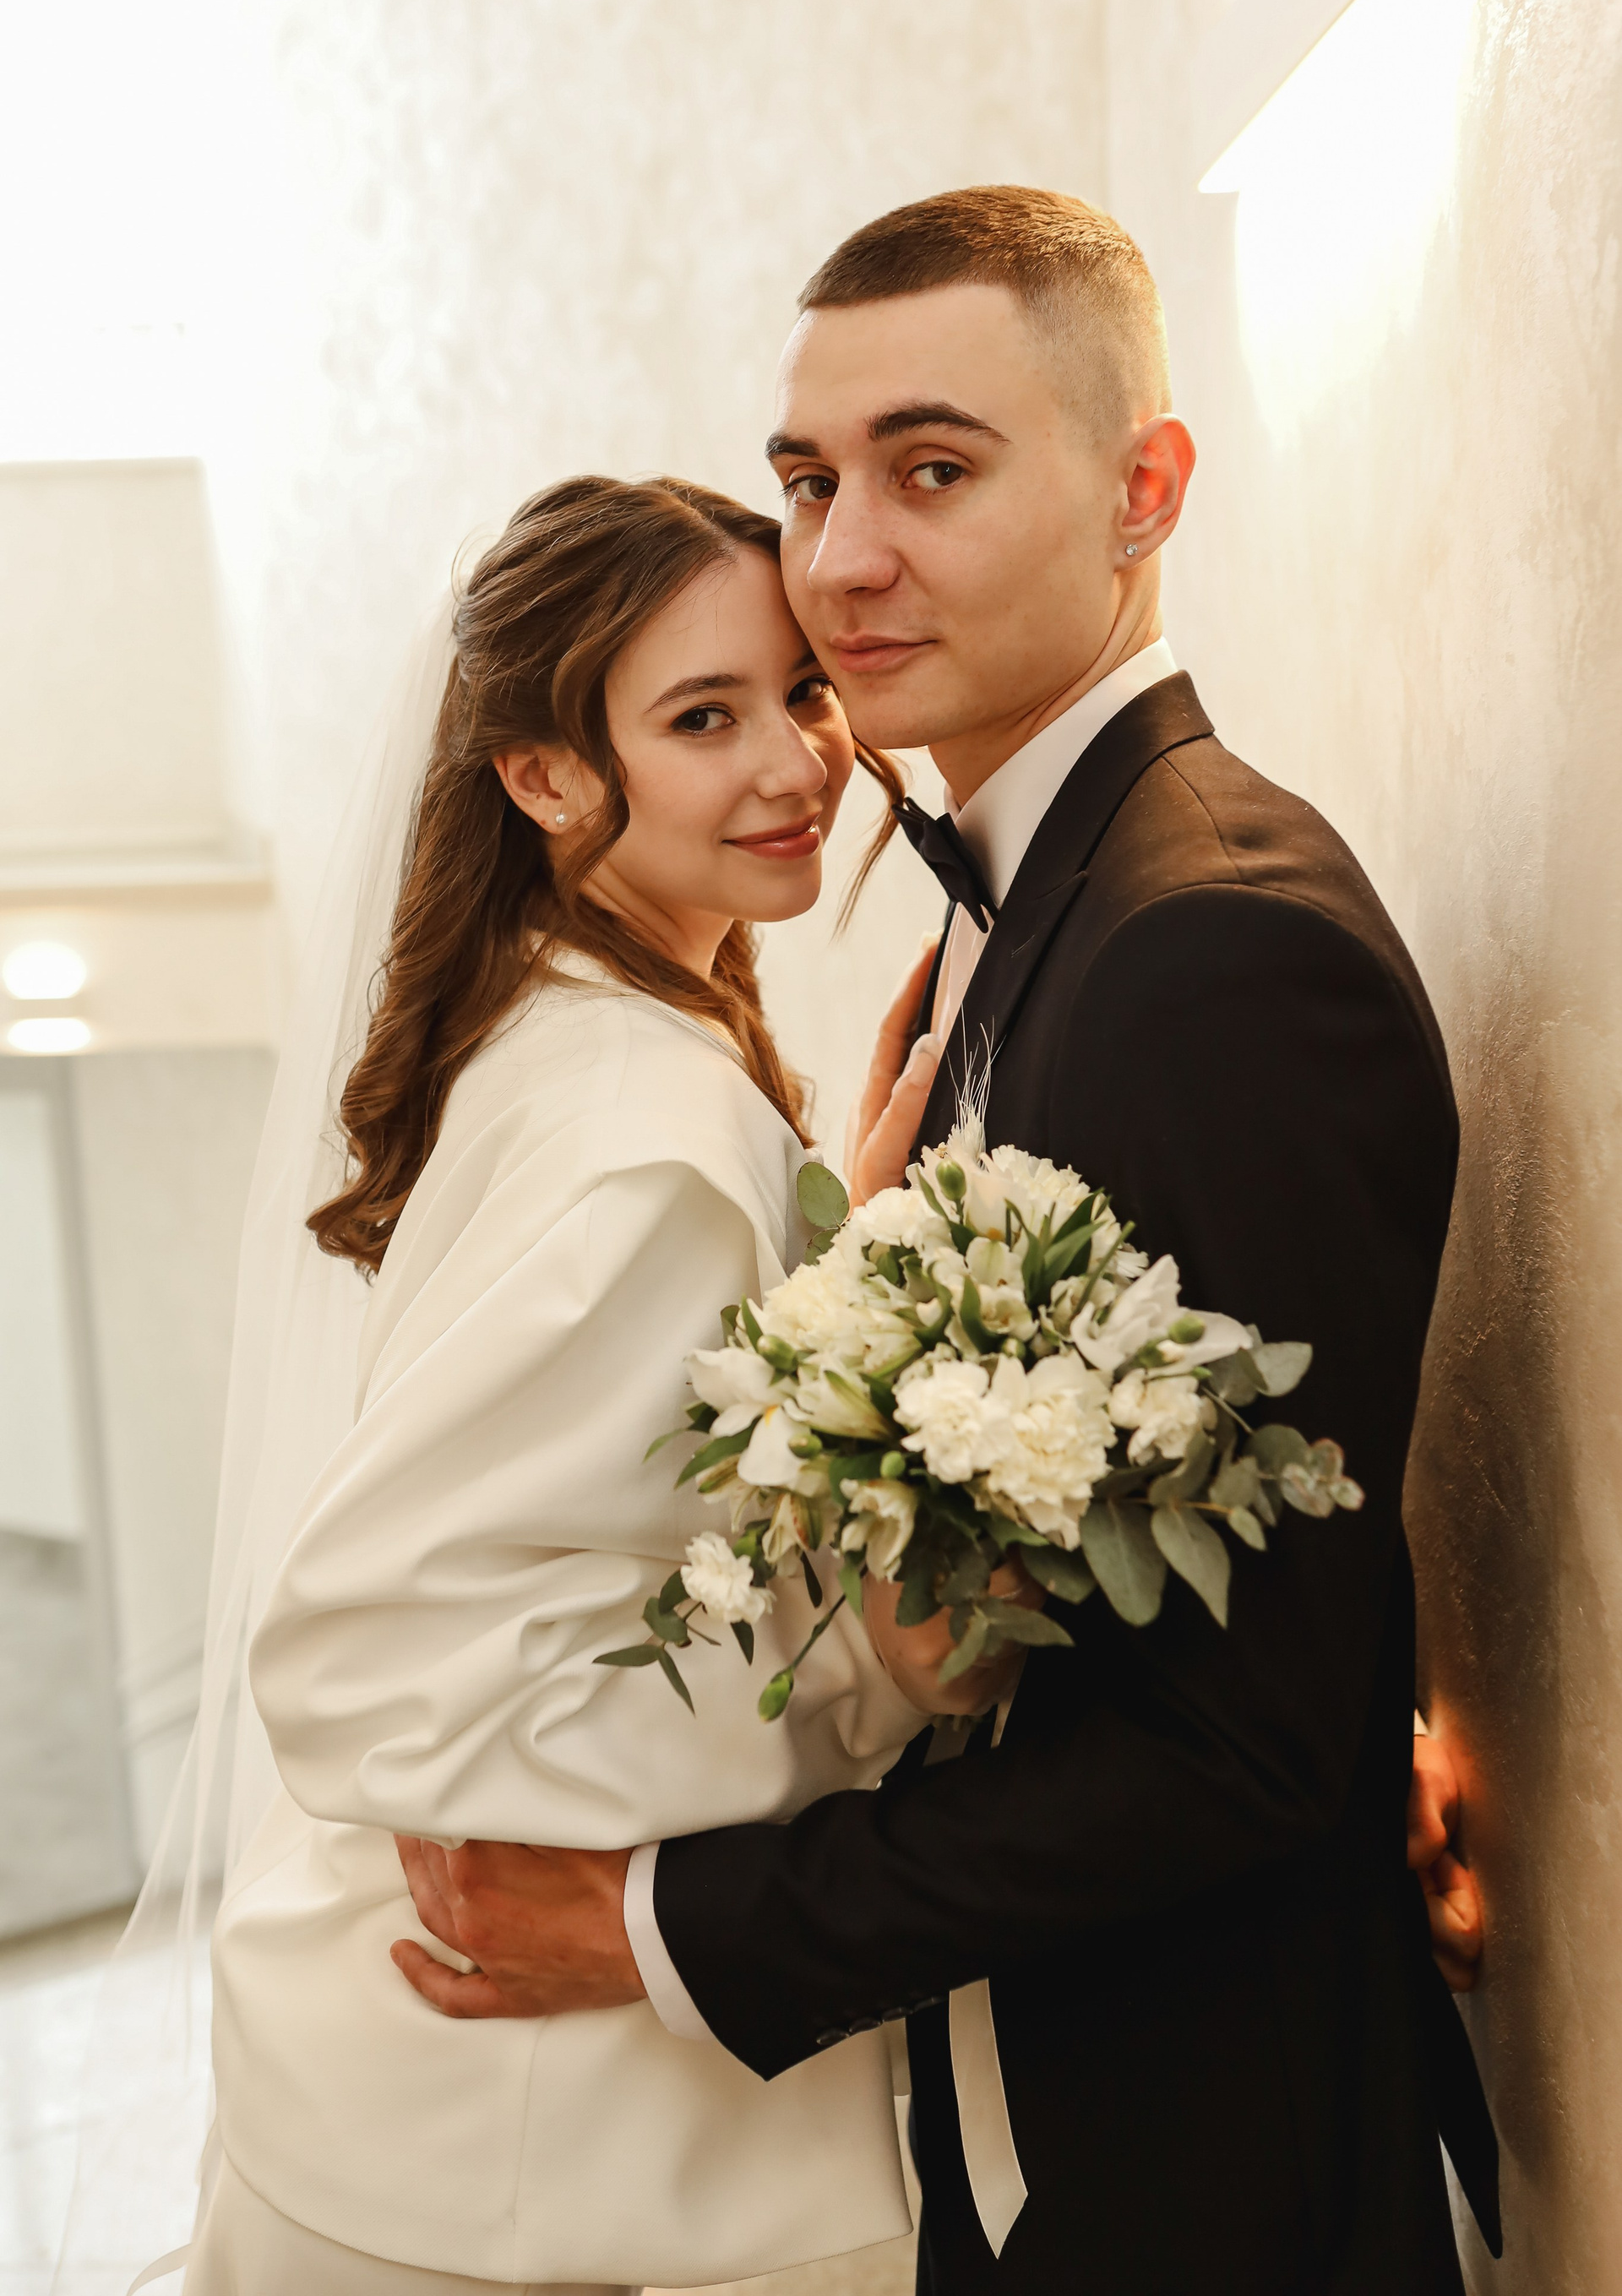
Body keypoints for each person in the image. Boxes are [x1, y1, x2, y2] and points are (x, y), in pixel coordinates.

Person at [392, 191, 1497, 2295]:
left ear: (1144, 488)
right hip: (1026, 2109)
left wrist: (652, 1925)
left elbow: (1225, 1746)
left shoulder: (1215, 947)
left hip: (1186, 2171)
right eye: (811, 481)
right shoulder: (1028, 895)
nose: (838, 561)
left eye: (931, 470)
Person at [183, 475, 939, 2293]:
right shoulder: (639, 1143)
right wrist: (878, 1680)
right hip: (510, 2144)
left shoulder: (599, 1020)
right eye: (703, 719)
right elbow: (362, 1648)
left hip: (515, 2124)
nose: (798, 764)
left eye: (803, 692)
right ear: (540, 774)